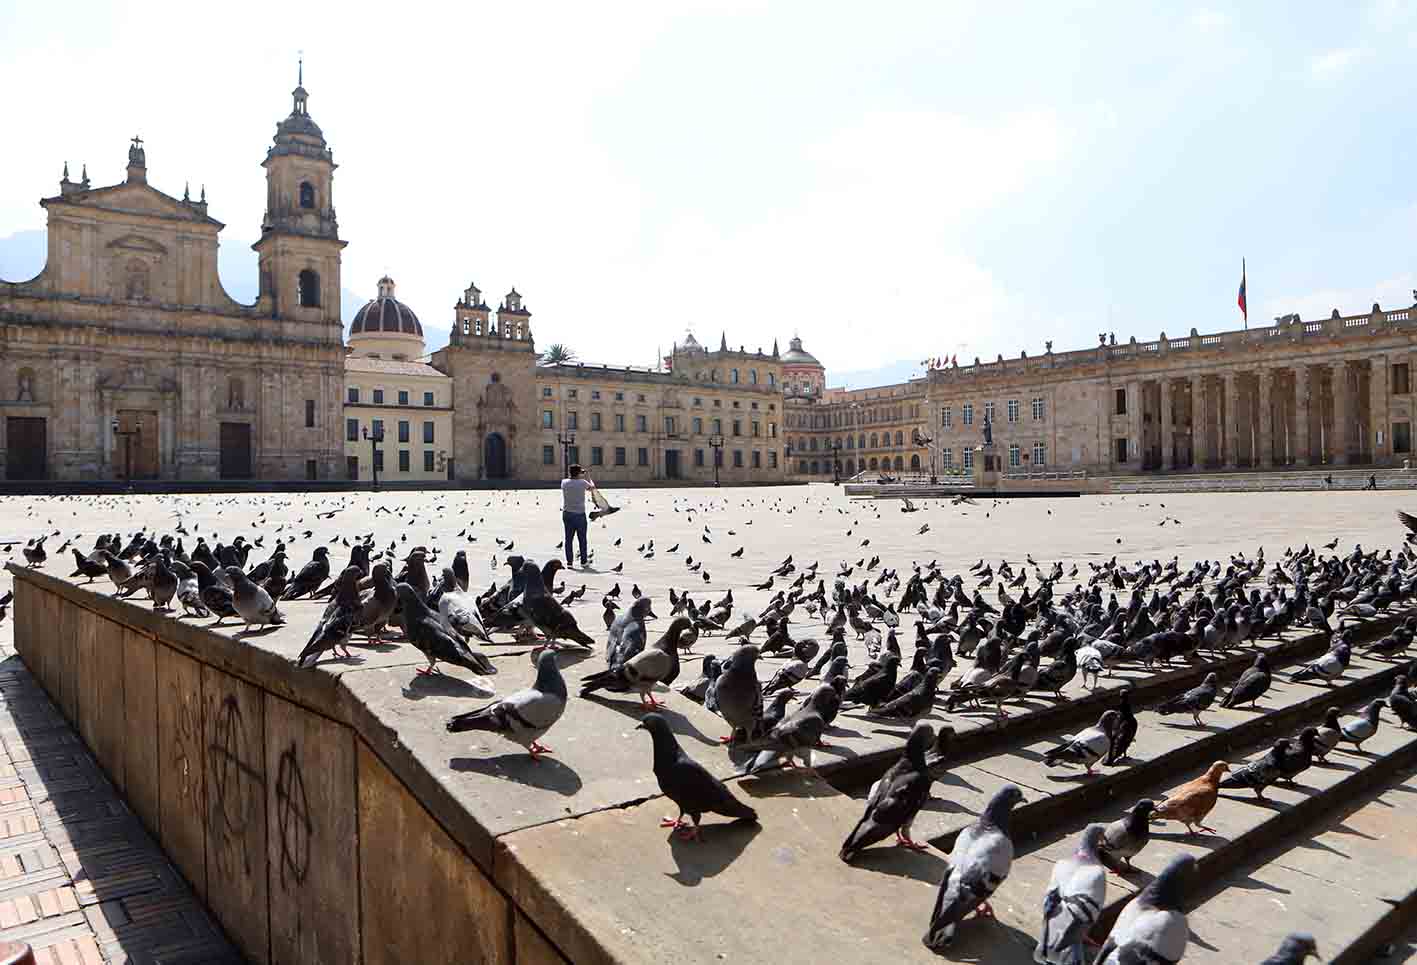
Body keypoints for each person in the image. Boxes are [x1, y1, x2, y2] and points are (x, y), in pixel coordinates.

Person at [560, 465, 596, 568]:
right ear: (579, 473)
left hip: (567, 513)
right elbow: (592, 488)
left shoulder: (564, 482)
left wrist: (578, 474)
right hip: (579, 514)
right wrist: (588, 476)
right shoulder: (583, 483)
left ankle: (569, 563)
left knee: (568, 539)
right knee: (582, 539)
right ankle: (583, 561)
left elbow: (570, 480)